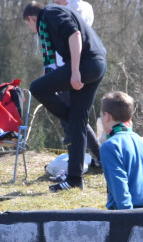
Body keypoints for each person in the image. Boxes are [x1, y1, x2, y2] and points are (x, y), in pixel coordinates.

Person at [23, 1, 106, 192]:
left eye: (29, 26)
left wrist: (75, 71)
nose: (32, 30)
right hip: (97, 64)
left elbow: (74, 34)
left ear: (32, 19)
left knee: (37, 88)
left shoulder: (50, 13)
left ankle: (71, 118)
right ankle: (75, 179)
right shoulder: (56, 13)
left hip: (86, 64)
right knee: (78, 122)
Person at [50, 0, 99, 170]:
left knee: (75, 117)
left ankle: (94, 157)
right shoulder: (56, 9)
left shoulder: (81, 8)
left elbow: (78, 36)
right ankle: (85, 157)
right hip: (61, 67)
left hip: (73, 68)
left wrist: (74, 70)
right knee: (71, 117)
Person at [99, 91, 143, 210]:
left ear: (107, 116)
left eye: (101, 115)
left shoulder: (110, 146)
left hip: (129, 215)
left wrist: (128, 219)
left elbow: (119, 187)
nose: (101, 119)